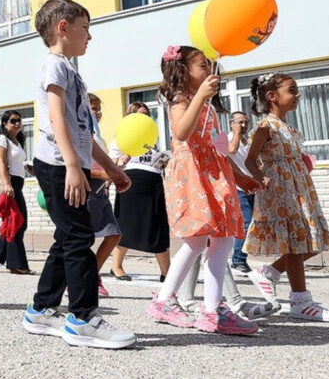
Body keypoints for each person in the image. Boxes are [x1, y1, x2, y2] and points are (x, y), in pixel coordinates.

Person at [20, 0, 136, 349]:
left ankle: (41, 309)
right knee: (79, 238)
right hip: (58, 163)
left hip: (70, 161)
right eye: (85, 28)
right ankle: (83, 319)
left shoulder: (71, 72)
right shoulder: (54, 66)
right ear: (63, 28)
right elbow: (55, 119)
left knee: (69, 236)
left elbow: (84, 130)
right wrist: (72, 165)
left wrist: (112, 168)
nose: (90, 36)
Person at [146, 45, 260, 335]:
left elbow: (219, 148)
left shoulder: (208, 107)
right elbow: (182, 132)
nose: (209, 71)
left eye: (209, 65)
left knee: (222, 238)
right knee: (197, 241)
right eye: (201, 66)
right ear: (182, 71)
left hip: (215, 173)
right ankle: (164, 300)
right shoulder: (180, 99)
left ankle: (212, 310)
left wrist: (240, 177)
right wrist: (199, 96)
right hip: (193, 174)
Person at [244, 72, 329, 322]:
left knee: (312, 241)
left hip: (299, 188)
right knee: (297, 243)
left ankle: (270, 272)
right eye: (291, 90)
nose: (298, 95)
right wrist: (260, 177)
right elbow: (250, 159)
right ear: (272, 96)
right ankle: (300, 301)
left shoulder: (289, 127)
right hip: (281, 191)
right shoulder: (265, 126)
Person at [108, 102, 171, 282]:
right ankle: (116, 266)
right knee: (127, 224)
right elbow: (112, 164)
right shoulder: (121, 137)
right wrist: (121, 160)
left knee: (158, 226)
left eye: (147, 114)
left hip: (154, 182)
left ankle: (166, 272)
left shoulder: (153, 138)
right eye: (140, 114)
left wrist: (164, 162)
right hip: (132, 182)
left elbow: (155, 159)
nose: (145, 118)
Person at [0, 110, 35, 274]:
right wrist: (7, 183)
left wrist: (30, 169)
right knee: (18, 222)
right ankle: (17, 265)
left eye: (19, 120)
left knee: (17, 223)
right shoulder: (2, 139)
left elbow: (17, 163)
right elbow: (1, 162)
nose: (17, 123)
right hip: (10, 183)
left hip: (18, 183)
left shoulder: (17, 141)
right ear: (5, 124)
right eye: (12, 121)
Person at [86, 95, 122, 295]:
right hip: (87, 187)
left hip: (101, 189)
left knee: (113, 234)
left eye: (99, 109)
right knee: (85, 238)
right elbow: (74, 168)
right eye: (93, 108)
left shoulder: (98, 136)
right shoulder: (80, 134)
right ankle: (79, 278)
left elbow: (103, 165)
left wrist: (113, 174)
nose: (97, 113)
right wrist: (102, 174)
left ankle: (92, 274)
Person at [227, 111, 254, 275]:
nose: (243, 126)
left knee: (251, 224)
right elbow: (231, 151)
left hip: (250, 185)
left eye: (245, 123)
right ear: (232, 123)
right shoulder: (229, 138)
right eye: (239, 123)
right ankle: (237, 260)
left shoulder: (248, 141)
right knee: (246, 222)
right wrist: (236, 134)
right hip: (237, 187)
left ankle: (241, 258)